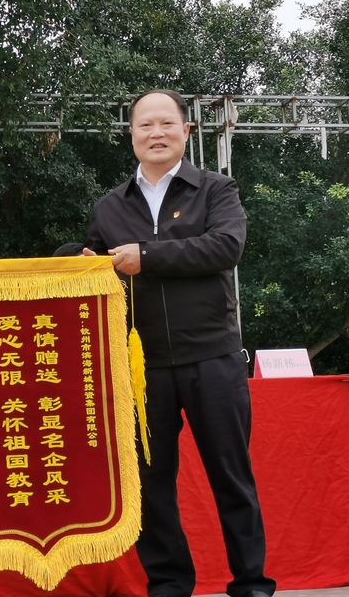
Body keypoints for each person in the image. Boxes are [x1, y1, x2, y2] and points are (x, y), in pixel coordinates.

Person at [83, 89, 276, 597]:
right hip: (142, 368)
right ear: (131, 135)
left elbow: (225, 246)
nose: (156, 133)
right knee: (151, 484)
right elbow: (93, 263)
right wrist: (75, 259)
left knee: (231, 476)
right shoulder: (109, 206)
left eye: (167, 123)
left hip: (213, 357)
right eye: (145, 125)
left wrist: (146, 257)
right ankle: (168, 583)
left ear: (186, 132)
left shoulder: (216, 189)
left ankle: (252, 582)